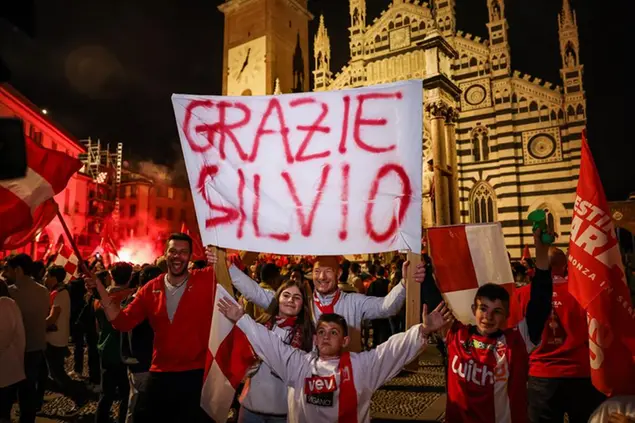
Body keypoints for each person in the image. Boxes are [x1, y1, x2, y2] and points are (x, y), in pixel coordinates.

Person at [217, 295, 452, 423]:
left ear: (346, 341)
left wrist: (423, 330)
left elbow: (392, 350)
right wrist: (242, 319)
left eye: (334, 332)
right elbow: (269, 344)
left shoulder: (363, 366)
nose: (326, 337)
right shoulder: (298, 365)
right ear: (315, 339)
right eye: (321, 332)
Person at [423, 229, 553, 423]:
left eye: (497, 311)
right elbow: (432, 298)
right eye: (483, 308)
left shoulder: (517, 340)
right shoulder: (456, 334)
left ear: (507, 315)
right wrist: (421, 259)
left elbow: (540, 303)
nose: (488, 316)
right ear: (473, 310)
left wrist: (541, 254)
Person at [86, 233, 215, 423]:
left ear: (190, 257)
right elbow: (122, 322)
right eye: (173, 251)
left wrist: (220, 258)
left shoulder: (206, 279)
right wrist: (101, 290)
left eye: (183, 252)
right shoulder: (150, 288)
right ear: (165, 254)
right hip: (160, 372)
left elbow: (236, 268)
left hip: (195, 374)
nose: (177, 256)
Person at [218, 254, 415, 352]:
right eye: (317, 271)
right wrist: (229, 269)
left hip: (345, 379)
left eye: (328, 271)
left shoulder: (354, 301)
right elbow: (258, 294)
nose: (321, 277)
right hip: (308, 380)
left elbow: (386, 307)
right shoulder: (300, 303)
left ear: (338, 274)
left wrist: (404, 284)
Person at [510, 246, 605, 423]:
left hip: (541, 375)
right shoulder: (583, 294)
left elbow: (514, 336)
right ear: (566, 265)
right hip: (581, 373)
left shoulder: (521, 295)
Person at [238, 279, 315, 423]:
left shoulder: (308, 336)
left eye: (297, 297)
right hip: (251, 408)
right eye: (286, 295)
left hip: (283, 413)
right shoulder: (259, 325)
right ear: (277, 298)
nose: (290, 300)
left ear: (302, 305)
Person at [4, 254, 50, 423]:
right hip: (36, 347)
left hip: (16, 350)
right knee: (28, 390)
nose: (4, 273)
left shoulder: (11, 293)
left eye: (7, 269)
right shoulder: (43, 290)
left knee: (7, 390)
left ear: (18, 270)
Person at [40, 265, 88, 412]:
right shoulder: (58, 292)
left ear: (54, 278)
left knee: (57, 375)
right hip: (54, 338)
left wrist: (36, 325)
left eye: (47, 276)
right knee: (50, 374)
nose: (45, 278)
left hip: (55, 339)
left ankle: (79, 395)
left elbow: (53, 318)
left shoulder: (60, 294)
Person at [120, 265, 162, 423]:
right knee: (141, 406)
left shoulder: (134, 298)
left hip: (137, 362)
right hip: (143, 363)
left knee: (136, 402)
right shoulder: (142, 303)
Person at [94, 263, 135, 423]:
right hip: (123, 352)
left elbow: (97, 327)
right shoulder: (130, 298)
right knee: (126, 394)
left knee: (106, 394)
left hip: (105, 349)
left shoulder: (100, 300)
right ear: (130, 277)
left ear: (111, 276)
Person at [0, 279, 26, 423]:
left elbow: (4, 336)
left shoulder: (4, 303)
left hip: (6, 366)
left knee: (3, 410)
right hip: (7, 366)